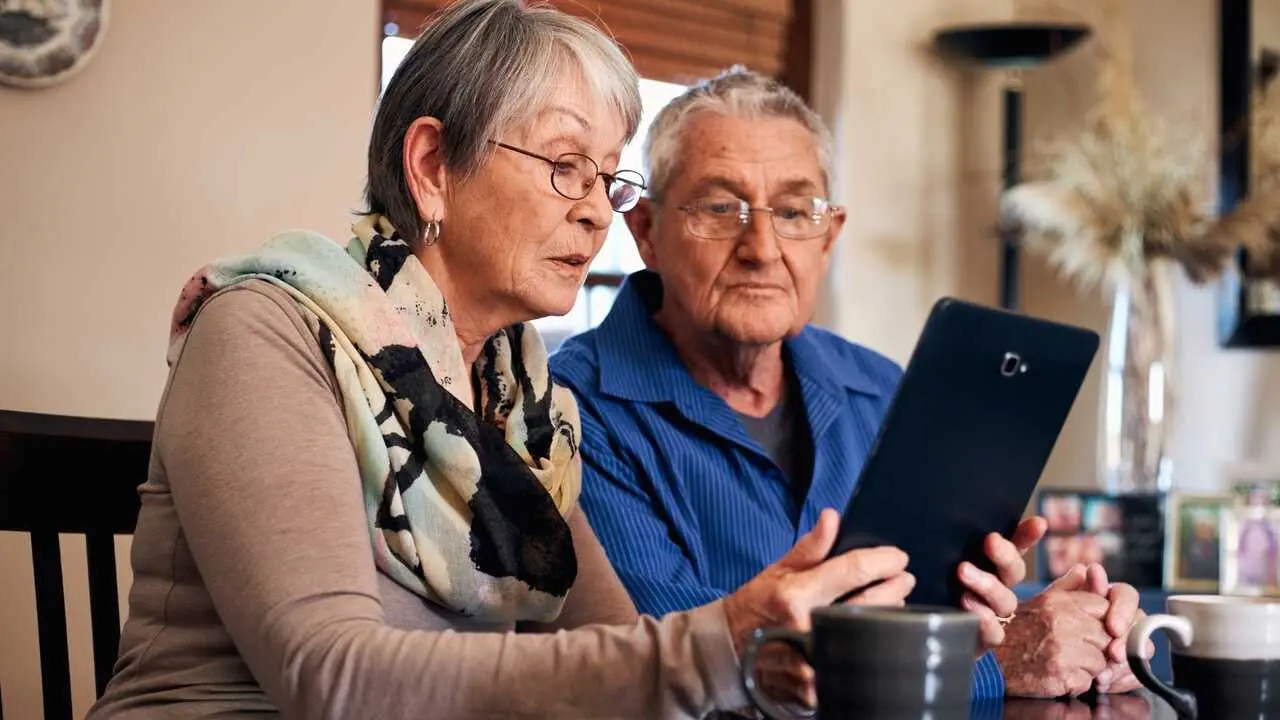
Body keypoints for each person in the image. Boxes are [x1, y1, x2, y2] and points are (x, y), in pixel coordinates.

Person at [85, 4, 928, 717]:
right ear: (432, 168)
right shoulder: (267, 330)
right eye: (567, 167)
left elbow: (615, 652)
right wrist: (716, 642)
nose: (599, 215)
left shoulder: (524, 402)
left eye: (607, 178)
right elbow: (329, 678)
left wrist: (766, 656)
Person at [550, 68, 1148, 705]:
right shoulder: (567, 410)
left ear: (829, 237)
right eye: (721, 208)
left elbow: (941, 607)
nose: (761, 246)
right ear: (646, 233)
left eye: (794, 211)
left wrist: (1070, 632)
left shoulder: (881, 388)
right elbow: (677, 669)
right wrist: (999, 661)